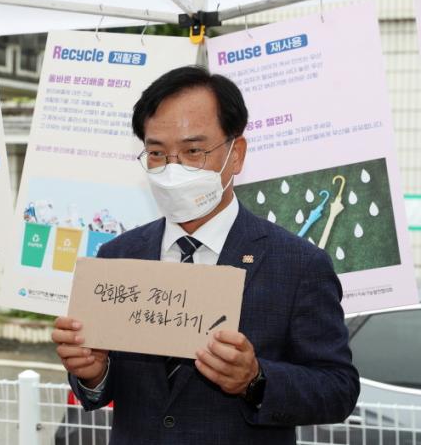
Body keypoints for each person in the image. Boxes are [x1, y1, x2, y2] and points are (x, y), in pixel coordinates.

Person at [51, 65, 359, 444]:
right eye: (157, 153)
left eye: (193, 151)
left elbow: (338, 389)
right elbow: (100, 387)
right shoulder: (117, 256)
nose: (173, 169)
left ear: (236, 154)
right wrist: (94, 373)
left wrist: (255, 380)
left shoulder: (297, 264)